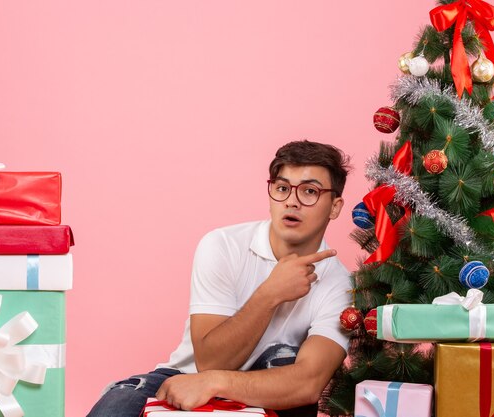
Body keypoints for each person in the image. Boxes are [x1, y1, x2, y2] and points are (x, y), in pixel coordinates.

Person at [87, 140, 352, 417]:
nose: (292, 201)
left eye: (309, 191)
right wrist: (270, 294)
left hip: (269, 392)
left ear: (335, 207)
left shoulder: (341, 285)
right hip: (187, 375)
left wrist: (216, 382)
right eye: (282, 188)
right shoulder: (223, 245)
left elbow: (307, 384)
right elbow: (211, 361)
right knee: (115, 406)